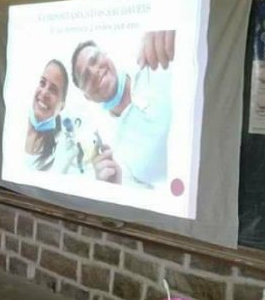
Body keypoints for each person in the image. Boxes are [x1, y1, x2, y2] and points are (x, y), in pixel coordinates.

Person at [70, 31, 175, 187]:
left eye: (95, 59)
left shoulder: (155, 63)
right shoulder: (112, 147)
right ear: (87, 97)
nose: (95, 72)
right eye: (86, 77)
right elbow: (143, 189)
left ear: (106, 56)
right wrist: (116, 187)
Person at [25, 60, 70, 171]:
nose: (44, 92)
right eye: (42, 83)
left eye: (53, 90)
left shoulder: (61, 154)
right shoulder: (13, 125)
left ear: (61, 106)